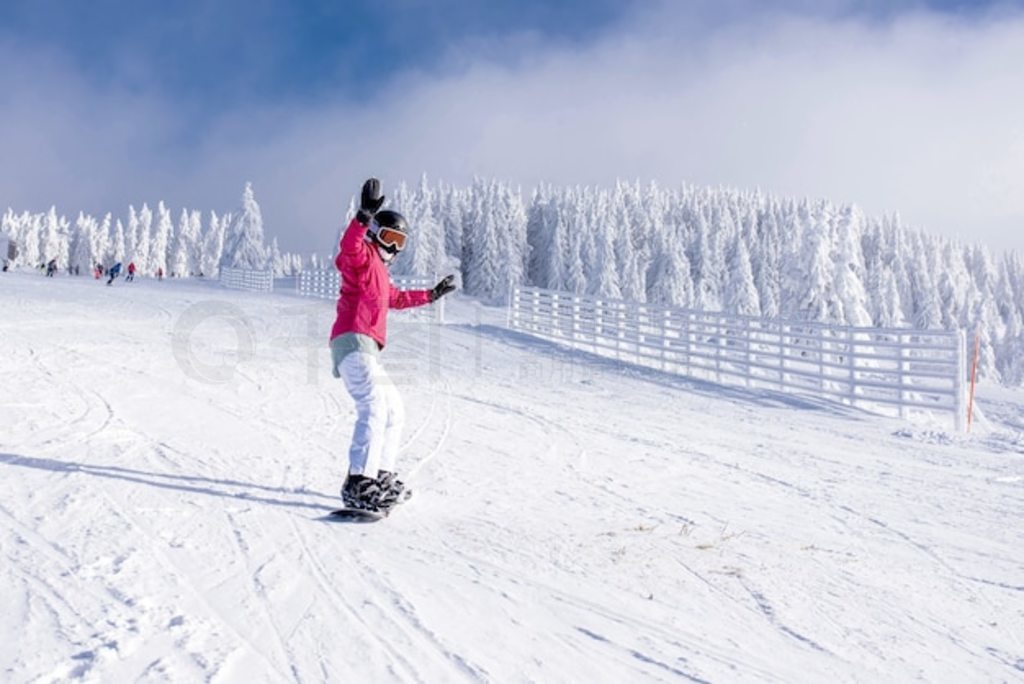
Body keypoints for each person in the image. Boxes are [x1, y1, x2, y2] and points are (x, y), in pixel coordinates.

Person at [331, 178, 456, 511]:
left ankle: (380, 475)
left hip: (367, 347)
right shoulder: (362, 257)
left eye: (401, 241)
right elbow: (348, 249)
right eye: (390, 238)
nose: (395, 247)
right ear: (375, 235)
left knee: (393, 410)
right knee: (372, 405)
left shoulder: (382, 275)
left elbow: (396, 298)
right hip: (351, 339)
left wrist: (430, 295)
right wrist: (362, 218)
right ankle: (358, 482)